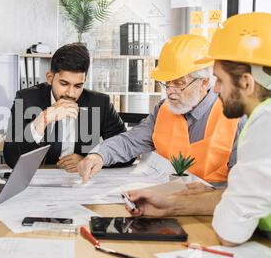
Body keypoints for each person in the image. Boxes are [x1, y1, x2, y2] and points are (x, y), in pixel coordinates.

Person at [124, 12, 271, 246]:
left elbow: (230, 232)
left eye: (219, 81)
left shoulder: (266, 123)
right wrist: (171, 204)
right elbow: (235, 198)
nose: (215, 90)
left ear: (246, 83)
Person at [78, 34, 246, 185]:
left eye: (179, 83)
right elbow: (131, 140)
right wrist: (98, 155)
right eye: (167, 82)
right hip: (164, 200)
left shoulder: (235, 117)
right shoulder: (163, 109)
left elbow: (243, 188)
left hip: (211, 209)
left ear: (204, 82)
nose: (170, 91)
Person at [4, 43, 133, 172]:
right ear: (50, 78)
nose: (71, 93)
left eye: (78, 86)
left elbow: (127, 151)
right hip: (41, 179)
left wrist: (91, 160)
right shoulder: (26, 99)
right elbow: (12, 159)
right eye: (64, 83)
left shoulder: (100, 102)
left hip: (82, 182)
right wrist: (43, 119)